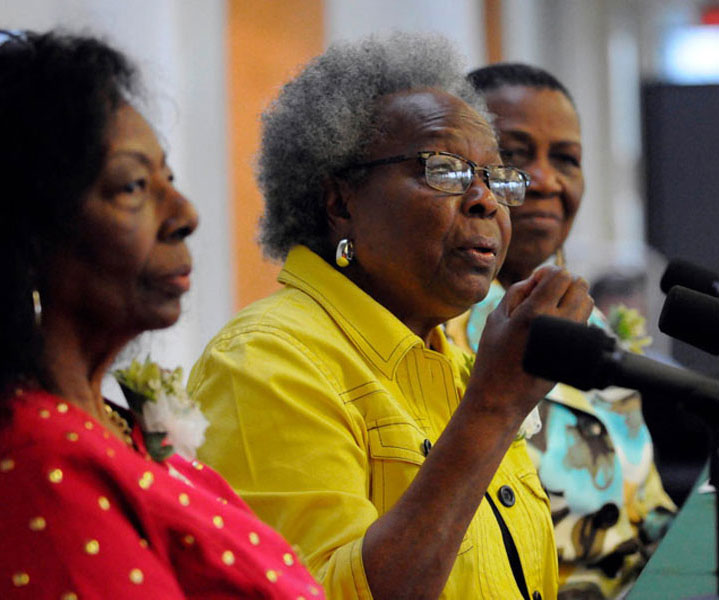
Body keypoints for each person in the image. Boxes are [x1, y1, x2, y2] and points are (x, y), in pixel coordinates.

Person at [189, 33, 593, 599]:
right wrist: (495, 407)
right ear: (341, 202)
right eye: (445, 170)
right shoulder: (265, 362)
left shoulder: (452, 363)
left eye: (497, 178)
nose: (485, 201)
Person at [0, 30, 324, 599]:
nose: (185, 214)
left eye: (167, 180)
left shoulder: (119, 424)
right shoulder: (35, 457)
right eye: (132, 186)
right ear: (26, 237)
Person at [445, 63, 675, 599]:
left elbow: (650, 511)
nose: (546, 181)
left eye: (566, 159)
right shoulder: (434, 331)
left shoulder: (586, 321)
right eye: (516, 156)